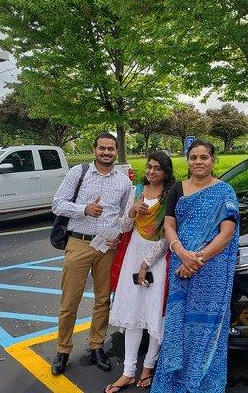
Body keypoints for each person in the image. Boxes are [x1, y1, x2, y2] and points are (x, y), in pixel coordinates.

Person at [151, 140, 239, 393]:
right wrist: (181, 252)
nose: (198, 162)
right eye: (193, 157)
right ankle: (175, 382)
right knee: (178, 324)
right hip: (180, 263)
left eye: (204, 157)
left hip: (212, 269)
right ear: (187, 161)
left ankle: (202, 383)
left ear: (213, 160)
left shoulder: (225, 192)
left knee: (207, 327)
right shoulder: (177, 189)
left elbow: (226, 234)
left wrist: (197, 260)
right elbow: (169, 226)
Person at [51, 132, 132, 374]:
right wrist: (84, 209)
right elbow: (57, 204)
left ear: (116, 151)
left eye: (111, 149)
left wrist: (120, 231)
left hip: (107, 246)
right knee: (69, 302)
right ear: (94, 149)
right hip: (78, 243)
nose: (106, 153)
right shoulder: (79, 172)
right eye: (102, 148)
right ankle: (62, 350)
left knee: (102, 300)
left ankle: (97, 346)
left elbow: (125, 216)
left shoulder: (123, 182)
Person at [104, 151, 175, 393]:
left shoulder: (171, 195)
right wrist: (133, 210)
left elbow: (168, 236)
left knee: (155, 314)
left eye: (157, 168)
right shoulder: (137, 191)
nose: (152, 171)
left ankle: (148, 367)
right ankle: (127, 371)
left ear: (166, 172)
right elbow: (124, 227)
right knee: (133, 312)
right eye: (149, 167)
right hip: (132, 254)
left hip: (158, 259)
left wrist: (147, 263)